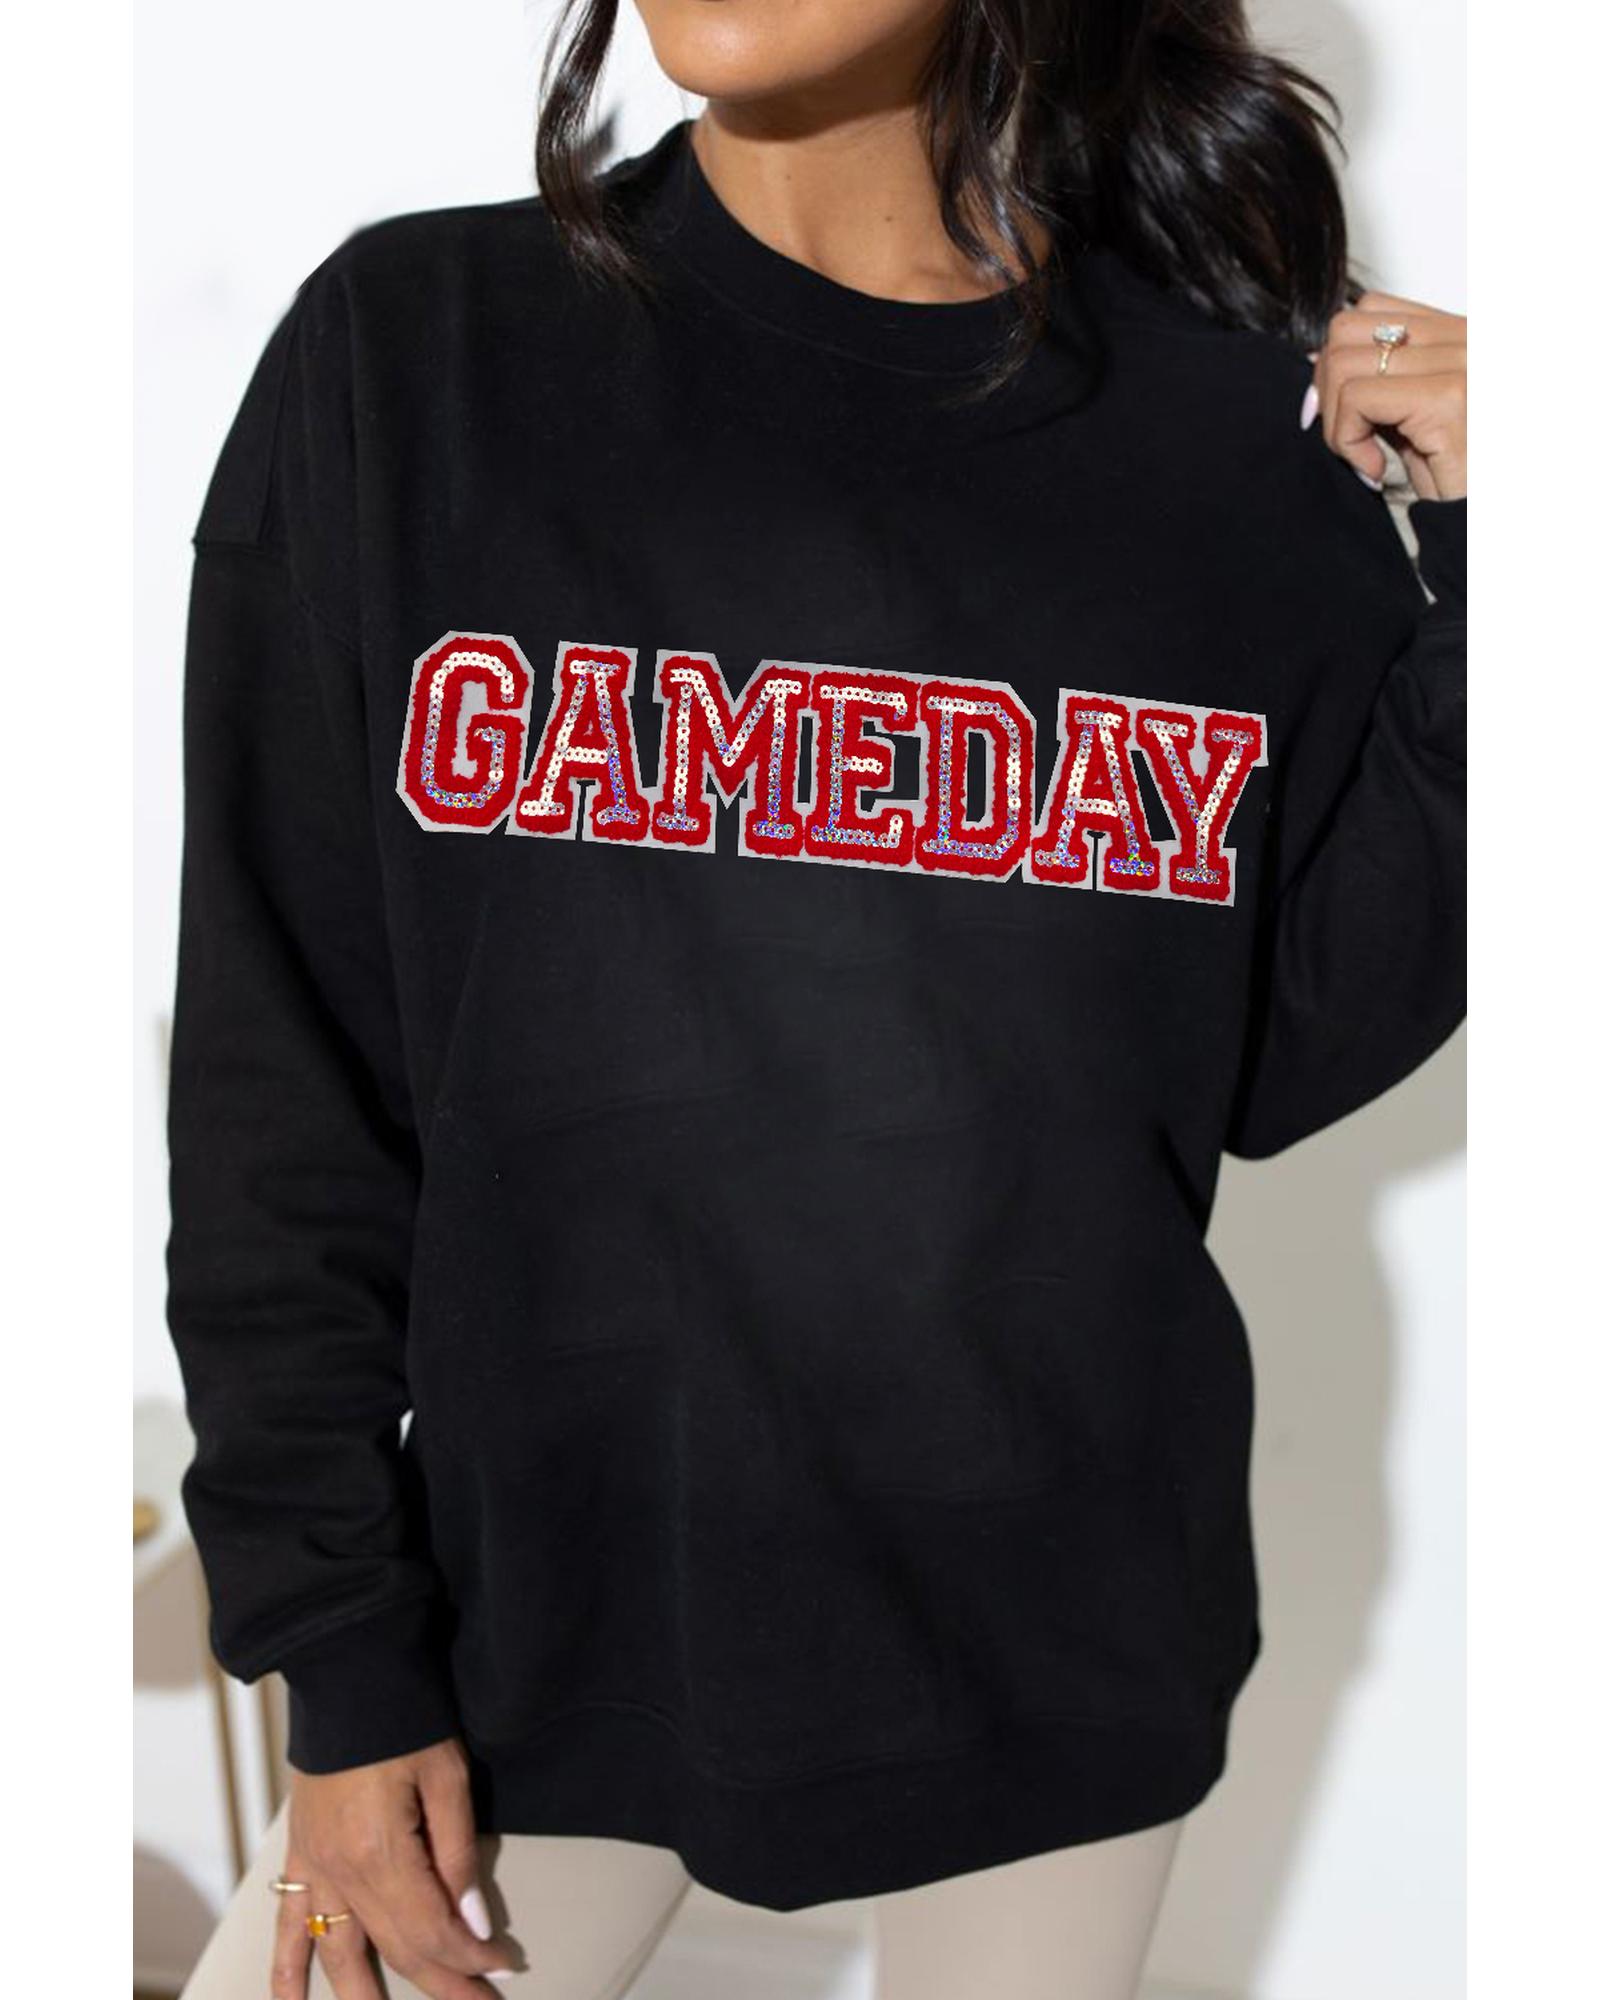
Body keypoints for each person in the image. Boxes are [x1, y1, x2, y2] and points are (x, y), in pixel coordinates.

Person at [164, 0, 1467, 1995]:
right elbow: (284, 1079)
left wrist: (1524, 576)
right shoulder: (418, 355)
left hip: (1052, 1631)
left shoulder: (1221, 432)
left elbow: (1277, 1049)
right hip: (524, 1626)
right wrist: (337, 1650)